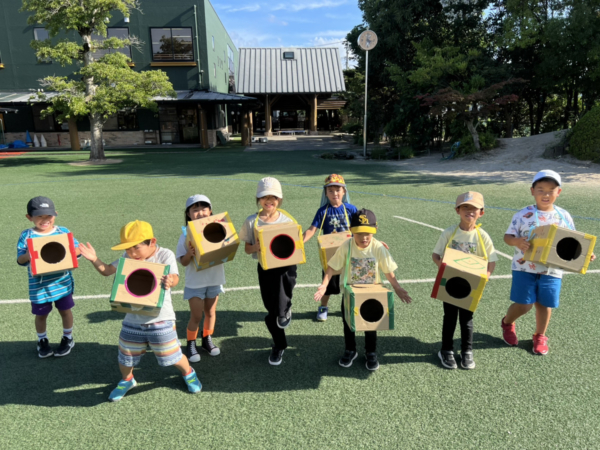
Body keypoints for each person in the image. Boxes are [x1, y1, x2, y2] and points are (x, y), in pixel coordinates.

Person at [79, 220, 201, 401]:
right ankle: (127, 380)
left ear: (152, 242)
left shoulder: (164, 254)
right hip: (133, 319)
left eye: (136, 247)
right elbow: (107, 270)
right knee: (126, 355)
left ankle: (188, 372)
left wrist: (170, 280)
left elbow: (175, 277)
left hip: (160, 319)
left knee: (171, 354)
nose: (132, 253)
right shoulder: (127, 258)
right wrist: (94, 259)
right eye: (128, 249)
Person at [501, 170, 596, 355]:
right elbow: (508, 236)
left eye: (551, 190)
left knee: (544, 304)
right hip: (523, 267)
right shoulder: (523, 214)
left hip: (552, 270)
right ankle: (507, 323)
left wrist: (586, 254)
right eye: (541, 190)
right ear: (532, 191)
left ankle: (540, 335)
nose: (546, 194)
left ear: (558, 192)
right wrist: (517, 242)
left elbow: (574, 241)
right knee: (524, 304)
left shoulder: (563, 216)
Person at [315, 209, 412, 371]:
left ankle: (370, 352)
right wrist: (324, 284)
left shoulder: (378, 247)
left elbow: (388, 270)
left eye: (368, 233)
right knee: (348, 323)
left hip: (371, 294)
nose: (364, 237)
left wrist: (397, 287)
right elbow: (332, 266)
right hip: (350, 293)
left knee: (371, 324)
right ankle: (350, 349)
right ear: (351, 231)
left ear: (375, 231)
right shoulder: (347, 246)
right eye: (359, 233)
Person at [432, 192, 498, 370]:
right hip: (451, 285)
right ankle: (446, 350)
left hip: (470, 287)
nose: (469, 211)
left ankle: (467, 351)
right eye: (465, 207)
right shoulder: (449, 233)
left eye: (474, 208)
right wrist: (444, 269)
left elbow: (491, 261)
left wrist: (486, 277)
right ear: (457, 210)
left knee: (467, 319)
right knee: (450, 317)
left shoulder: (482, 236)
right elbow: (436, 255)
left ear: (481, 213)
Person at [239, 177, 297, 366]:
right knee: (271, 311)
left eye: (273, 197)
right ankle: (280, 343)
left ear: (279, 199)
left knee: (280, 305)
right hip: (265, 268)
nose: (269, 201)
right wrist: (256, 246)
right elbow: (247, 249)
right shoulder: (252, 221)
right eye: (265, 197)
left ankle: (286, 309)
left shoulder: (287, 220)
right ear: (258, 199)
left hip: (286, 269)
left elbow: (295, 247)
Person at [16, 196, 81, 358]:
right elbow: (20, 259)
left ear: (55, 214)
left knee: (65, 311)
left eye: (49, 216)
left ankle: (68, 337)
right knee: (41, 315)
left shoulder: (62, 232)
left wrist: (72, 252)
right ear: (29, 217)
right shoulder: (27, 235)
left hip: (62, 283)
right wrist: (28, 255)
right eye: (40, 216)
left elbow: (77, 250)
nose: (45, 220)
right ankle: (42, 340)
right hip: (39, 287)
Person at [303, 174, 358, 321]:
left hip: (349, 251)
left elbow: (360, 229)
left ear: (344, 191)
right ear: (326, 193)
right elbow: (312, 230)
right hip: (331, 255)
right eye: (331, 191)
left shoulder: (351, 209)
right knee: (328, 285)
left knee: (350, 282)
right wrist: (299, 242)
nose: (335, 194)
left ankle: (348, 306)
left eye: (338, 190)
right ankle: (323, 307)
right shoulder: (323, 211)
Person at [178, 195, 224, 363]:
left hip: (214, 279)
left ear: (210, 211)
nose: (200, 213)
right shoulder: (185, 234)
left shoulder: (219, 229)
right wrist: (189, 254)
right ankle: (191, 343)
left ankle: (207, 339)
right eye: (195, 210)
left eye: (204, 209)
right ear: (188, 214)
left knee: (210, 313)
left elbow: (227, 249)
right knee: (196, 316)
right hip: (195, 283)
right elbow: (183, 262)